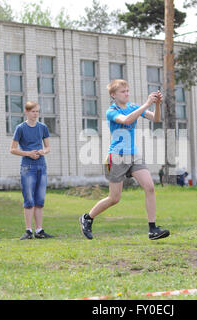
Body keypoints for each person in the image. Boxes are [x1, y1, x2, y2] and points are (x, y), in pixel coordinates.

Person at [79, 79, 170, 241]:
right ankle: (88, 217)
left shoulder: (134, 107)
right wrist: (147, 103)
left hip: (134, 155)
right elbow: (127, 120)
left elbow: (156, 119)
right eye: (123, 91)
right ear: (113, 95)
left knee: (149, 187)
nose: (126, 93)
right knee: (114, 198)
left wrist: (156, 104)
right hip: (117, 157)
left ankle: (152, 229)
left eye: (128, 90)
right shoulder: (111, 111)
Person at [10, 101, 54, 240]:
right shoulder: (20, 128)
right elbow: (13, 149)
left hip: (41, 166)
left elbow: (48, 147)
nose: (36, 114)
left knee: (40, 200)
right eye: (33, 111)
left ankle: (39, 230)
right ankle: (28, 230)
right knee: (29, 200)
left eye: (37, 111)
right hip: (27, 167)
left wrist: (43, 151)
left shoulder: (43, 127)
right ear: (27, 112)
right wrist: (28, 153)